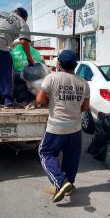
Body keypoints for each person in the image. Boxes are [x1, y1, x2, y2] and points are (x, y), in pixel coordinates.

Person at [37, 50, 90, 203]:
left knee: (45, 153)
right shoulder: (83, 83)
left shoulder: (52, 78)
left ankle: (61, 182)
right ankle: (69, 185)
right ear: (75, 65)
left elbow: (40, 99)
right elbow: (85, 107)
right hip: (75, 129)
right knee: (71, 158)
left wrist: (49, 99)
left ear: (59, 64)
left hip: (56, 127)